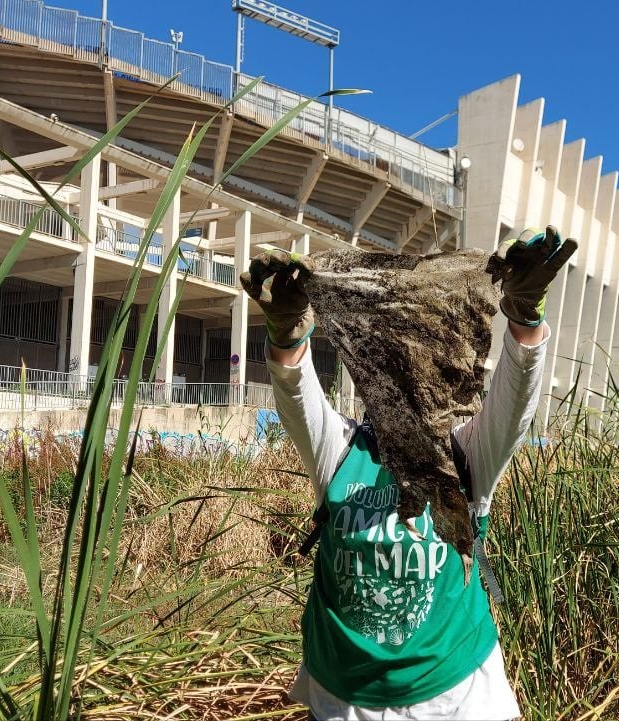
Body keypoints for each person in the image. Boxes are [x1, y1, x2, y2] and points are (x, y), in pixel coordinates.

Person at [241, 226, 577, 721]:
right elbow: (296, 398)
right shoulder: (342, 450)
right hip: (342, 699)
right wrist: (286, 334)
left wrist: (525, 320)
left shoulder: (465, 456)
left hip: (456, 697)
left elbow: (514, 405)